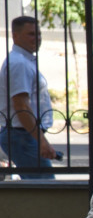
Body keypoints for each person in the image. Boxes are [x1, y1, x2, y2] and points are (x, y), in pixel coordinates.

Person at [0, 16, 56, 179]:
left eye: (38, 34)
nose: (37, 39)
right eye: (31, 34)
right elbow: (21, 106)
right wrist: (41, 140)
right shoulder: (19, 63)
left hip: (24, 134)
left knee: (41, 187)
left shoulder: (24, 61)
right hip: (22, 135)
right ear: (15, 36)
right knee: (46, 189)